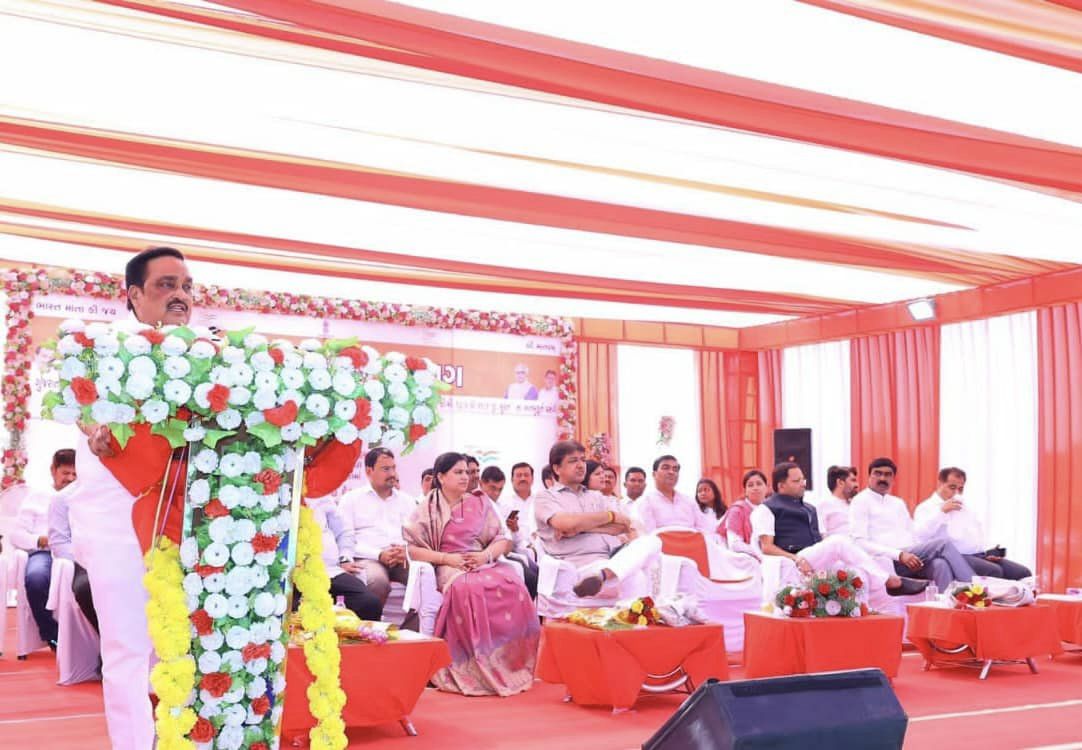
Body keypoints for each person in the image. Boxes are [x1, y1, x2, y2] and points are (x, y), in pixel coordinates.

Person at [71, 247, 364, 749]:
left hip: (197, 523)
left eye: (186, 286)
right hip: (117, 521)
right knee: (129, 649)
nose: (181, 295)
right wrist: (97, 427)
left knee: (192, 650)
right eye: (166, 284)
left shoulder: (213, 353)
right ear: (134, 294)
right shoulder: (105, 349)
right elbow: (84, 411)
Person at [404, 452, 539, 696]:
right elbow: (413, 550)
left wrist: (485, 556)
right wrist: (448, 559)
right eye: (458, 472)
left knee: (513, 584)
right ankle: (473, 667)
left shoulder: (480, 502)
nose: (465, 477)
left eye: (466, 472)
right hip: (448, 562)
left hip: (481, 560)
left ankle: (509, 663)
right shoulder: (426, 508)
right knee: (470, 589)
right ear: (441, 477)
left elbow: (502, 540)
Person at [752, 462, 928, 608]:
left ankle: (859, 615)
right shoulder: (767, 509)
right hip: (794, 558)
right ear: (781, 485)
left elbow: (821, 540)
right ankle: (889, 581)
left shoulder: (810, 508)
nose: (803, 484)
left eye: (803, 479)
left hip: (815, 557)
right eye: (797, 481)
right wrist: (796, 559)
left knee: (857, 572)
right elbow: (767, 547)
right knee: (838, 540)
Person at [534, 441, 669, 598]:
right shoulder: (545, 497)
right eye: (573, 461)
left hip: (608, 560)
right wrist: (610, 516)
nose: (580, 465)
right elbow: (566, 523)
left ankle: (603, 575)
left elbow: (623, 526)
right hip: (575, 564)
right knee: (636, 576)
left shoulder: (596, 496)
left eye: (582, 460)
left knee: (652, 541)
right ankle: (607, 580)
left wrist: (580, 527)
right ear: (557, 468)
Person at [850, 457, 975, 590]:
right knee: (943, 543)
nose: (882, 478)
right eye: (878, 473)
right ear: (869, 476)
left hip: (911, 556)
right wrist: (899, 555)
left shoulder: (897, 503)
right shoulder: (861, 501)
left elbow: (913, 533)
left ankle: (949, 601)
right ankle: (976, 590)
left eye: (888, 475)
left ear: (893, 479)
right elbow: (859, 542)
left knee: (940, 564)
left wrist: (919, 553)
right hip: (888, 560)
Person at [913, 467, 1032, 580]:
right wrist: (942, 512)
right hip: (958, 556)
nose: (956, 493)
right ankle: (984, 594)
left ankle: (1011, 594)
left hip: (979, 554)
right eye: (952, 487)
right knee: (994, 571)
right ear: (940, 484)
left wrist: (989, 551)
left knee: (1023, 573)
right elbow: (920, 535)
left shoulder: (965, 507)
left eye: (960, 489)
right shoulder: (926, 508)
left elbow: (977, 533)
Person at [13, 448, 78, 647]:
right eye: (65, 473)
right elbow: (16, 535)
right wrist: (41, 540)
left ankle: (85, 640)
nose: (70, 478)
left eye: (74, 474)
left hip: (76, 552)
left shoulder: (82, 496)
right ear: (53, 471)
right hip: (44, 553)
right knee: (36, 578)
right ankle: (52, 635)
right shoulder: (37, 496)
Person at [338, 448, 415, 610]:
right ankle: (371, 625)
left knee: (423, 580)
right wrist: (378, 554)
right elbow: (344, 538)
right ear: (369, 471)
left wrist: (404, 551)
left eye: (393, 468)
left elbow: (415, 536)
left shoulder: (407, 501)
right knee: (377, 582)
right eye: (385, 469)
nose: (392, 473)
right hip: (368, 558)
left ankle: (410, 627)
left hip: (401, 558)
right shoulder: (351, 499)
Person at [307, 495, 382, 621]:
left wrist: (344, 558)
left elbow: (343, 531)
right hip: (291, 575)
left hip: (329, 571)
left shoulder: (319, 496)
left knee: (369, 603)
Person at [47, 460, 99, 634]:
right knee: (85, 588)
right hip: (83, 560)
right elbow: (60, 544)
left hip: (124, 555)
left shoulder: (121, 490)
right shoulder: (62, 498)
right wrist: (90, 558)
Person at [489, 463, 539, 598]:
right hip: (516, 547)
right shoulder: (503, 503)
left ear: (532, 479)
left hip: (541, 545)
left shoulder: (541, 500)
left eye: (526, 475)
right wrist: (515, 530)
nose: (523, 478)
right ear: (512, 480)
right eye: (519, 475)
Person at [636, 455, 717, 534]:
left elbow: (703, 529)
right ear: (654, 474)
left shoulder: (689, 501)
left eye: (675, 469)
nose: (671, 472)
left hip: (692, 541)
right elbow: (649, 535)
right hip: (660, 542)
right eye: (665, 468)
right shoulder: (645, 502)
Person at [721, 469, 769, 556]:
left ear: (766, 487)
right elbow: (734, 544)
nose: (755, 488)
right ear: (745, 491)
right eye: (750, 485)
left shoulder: (772, 509)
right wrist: (759, 554)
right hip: (745, 558)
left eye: (759, 484)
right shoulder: (737, 511)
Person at [816, 465, 858, 537]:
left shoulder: (857, 505)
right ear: (840, 482)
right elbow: (821, 534)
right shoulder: (824, 505)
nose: (857, 485)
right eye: (853, 480)